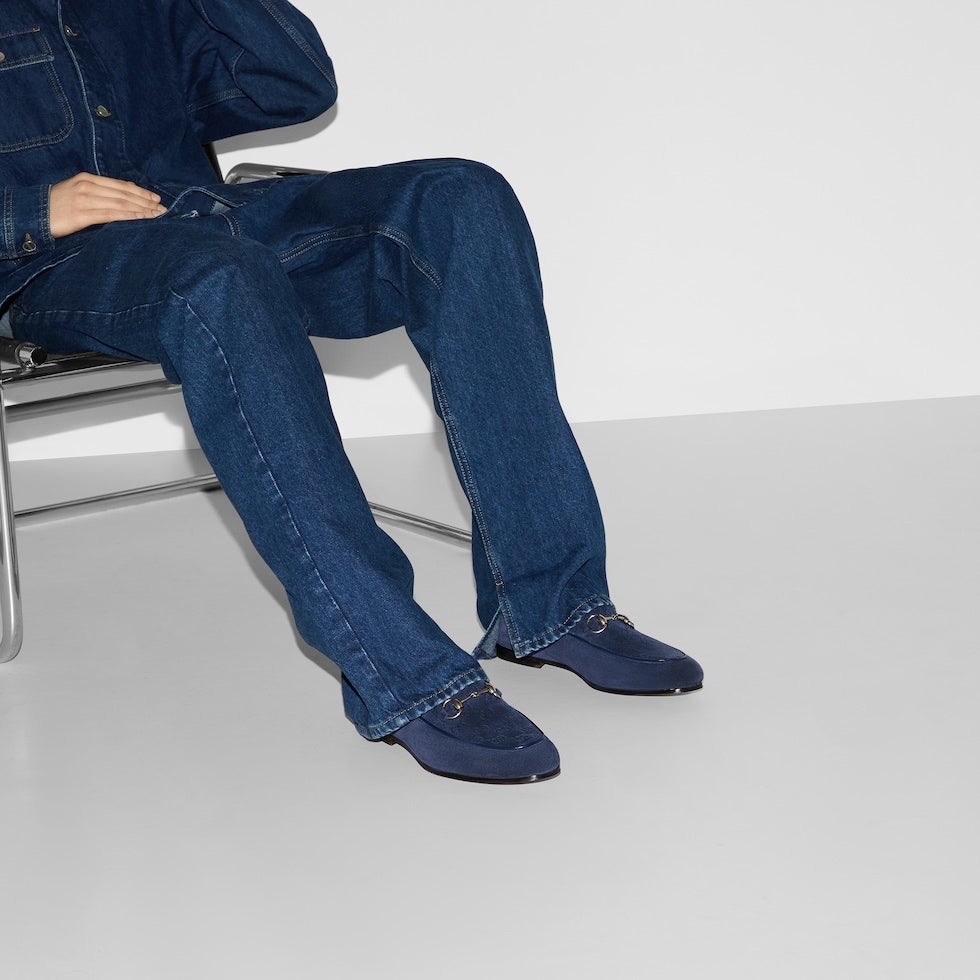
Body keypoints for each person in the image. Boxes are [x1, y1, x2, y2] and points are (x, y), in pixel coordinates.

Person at [0, 0, 703, 784]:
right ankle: (400, 670)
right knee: (222, 282)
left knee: (463, 198)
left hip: (207, 214)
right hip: (57, 267)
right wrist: (29, 210)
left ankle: (553, 604)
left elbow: (291, 86)